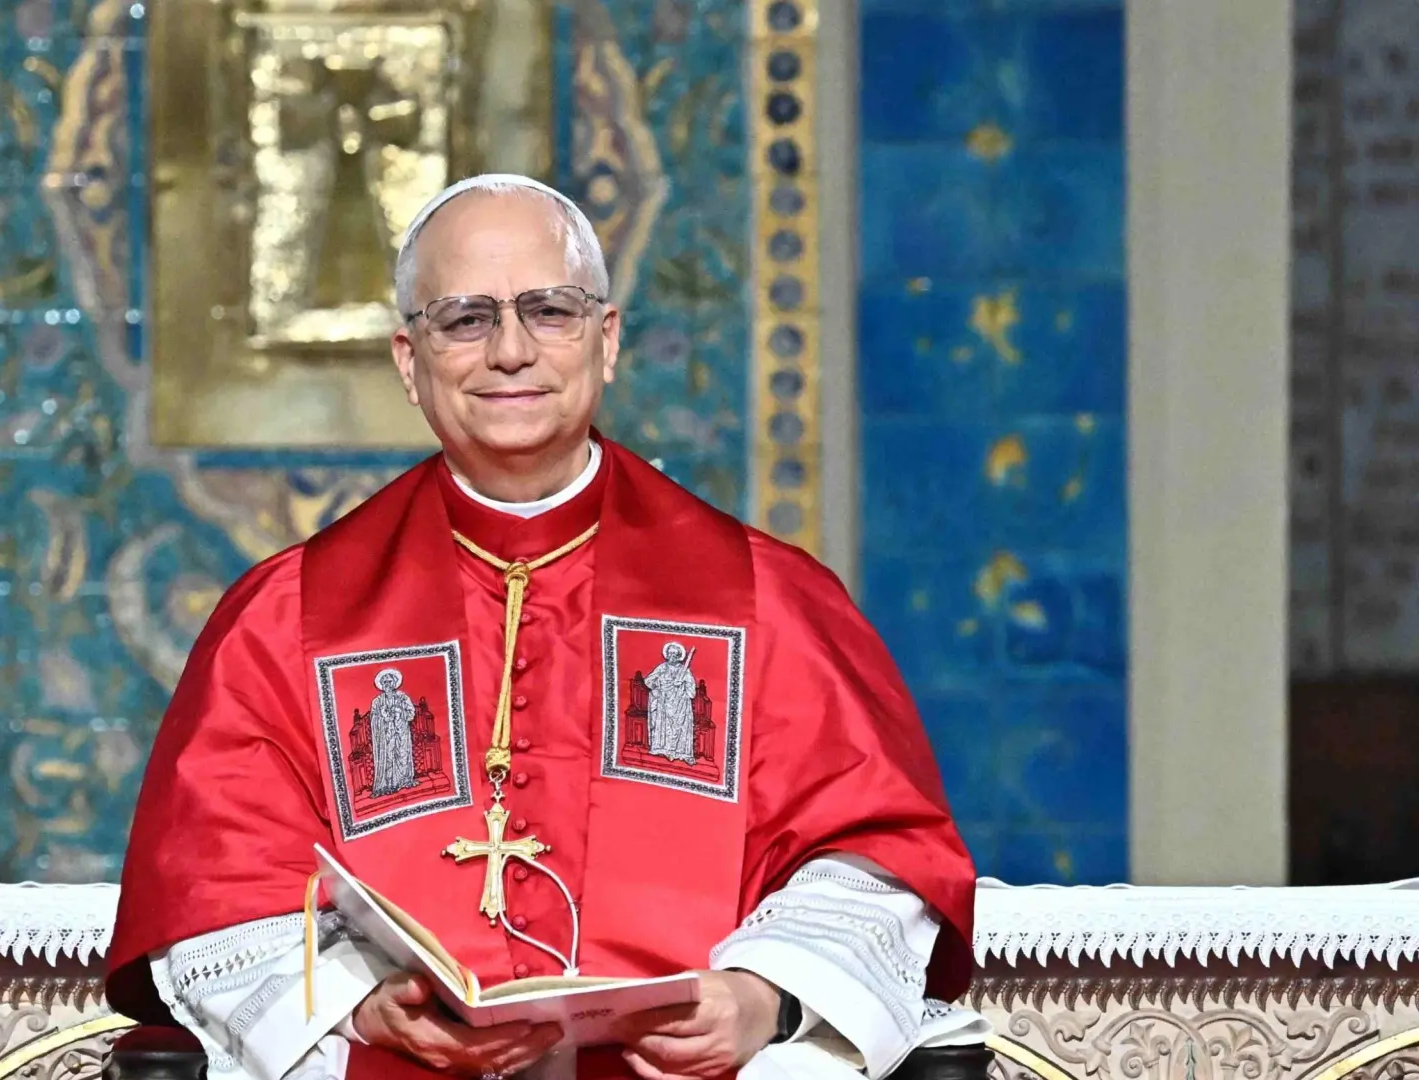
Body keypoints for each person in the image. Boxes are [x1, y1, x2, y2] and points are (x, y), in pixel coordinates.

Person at [106, 174, 987, 1080]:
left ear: (607, 341)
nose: (511, 351)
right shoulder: (288, 618)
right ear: (409, 361)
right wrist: (360, 1006)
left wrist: (763, 997)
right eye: (465, 319)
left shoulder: (768, 601)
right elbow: (219, 878)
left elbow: (872, 852)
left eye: (550, 311)